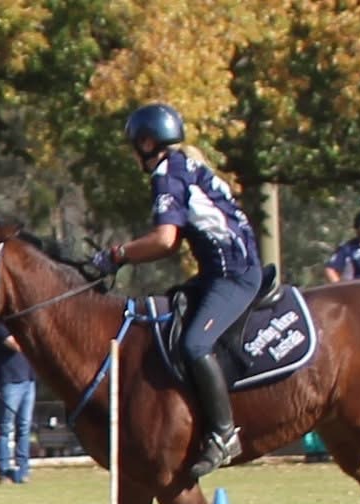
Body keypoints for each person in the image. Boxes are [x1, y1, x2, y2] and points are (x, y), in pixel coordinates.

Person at [90, 102, 261, 479]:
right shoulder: (188, 165)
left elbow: (166, 240)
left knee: (194, 345)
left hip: (234, 275)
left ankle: (223, 433)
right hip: (219, 271)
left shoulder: (167, 174)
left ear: (147, 142)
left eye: (135, 145)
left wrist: (117, 255)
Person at [0, 320, 36, 484]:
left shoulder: (19, 325)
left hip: (28, 380)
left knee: (24, 427)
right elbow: (16, 345)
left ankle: (23, 470)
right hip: (10, 381)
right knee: (5, 427)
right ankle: (3, 470)